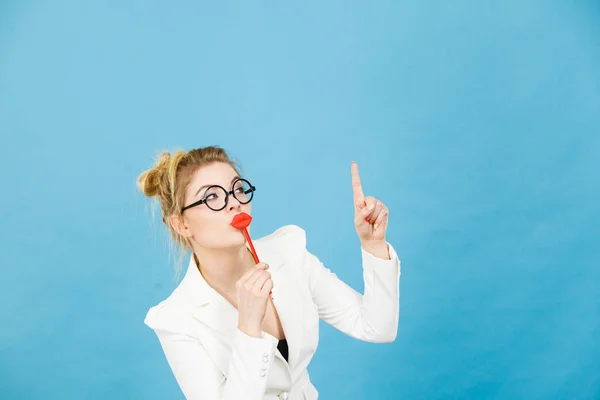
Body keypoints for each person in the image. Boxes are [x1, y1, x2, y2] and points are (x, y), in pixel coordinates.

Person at [137, 146, 401, 400]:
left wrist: (373, 244)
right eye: (212, 197)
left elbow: (377, 328)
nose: (235, 204)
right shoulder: (175, 320)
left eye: (238, 189)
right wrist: (248, 326)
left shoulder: (289, 253)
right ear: (181, 224)